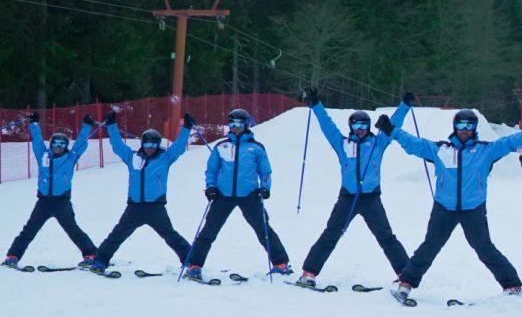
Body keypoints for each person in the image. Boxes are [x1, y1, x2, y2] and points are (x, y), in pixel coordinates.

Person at [377, 108, 522, 301]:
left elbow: (509, 143)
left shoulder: (485, 150)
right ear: (454, 127)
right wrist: (392, 130)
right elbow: (415, 144)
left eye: (468, 126)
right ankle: (406, 282)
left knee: (484, 247)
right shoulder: (441, 149)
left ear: (474, 128)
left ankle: (512, 285)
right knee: (430, 247)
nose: (464, 129)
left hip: (473, 208)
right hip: (444, 207)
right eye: (460, 125)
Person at [293, 90, 413, 288]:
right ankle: (309, 273)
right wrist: (316, 105)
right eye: (355, 125)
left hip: (371, 199)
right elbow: (328, 126)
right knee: (330, 234)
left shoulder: (377, 143)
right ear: (350, 126)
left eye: (363, 125)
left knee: (386, 237)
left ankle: (406, 275)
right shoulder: (343, 144)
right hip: (348, 198)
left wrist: (405, 106)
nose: (359, 129)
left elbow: (394, 124)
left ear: (368, 126)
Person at [185, 109, 293, 280]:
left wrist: (265, 187)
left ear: (246, 125)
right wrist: (211, 187)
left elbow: (265, 171)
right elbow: (211, 170)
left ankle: (281, 263)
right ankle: (194, 265)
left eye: (238, 124)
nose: (234, 127)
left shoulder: (256, 147)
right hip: (223, 195)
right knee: (209, 230)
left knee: (263, 228)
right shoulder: (221, 146)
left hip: (249, 194)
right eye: (231, 123)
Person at [89, 111, 194, 273]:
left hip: (155, 207)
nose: (150, 148)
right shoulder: (133, 158)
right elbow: (117, 146)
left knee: (170, 235)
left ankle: (191, 261)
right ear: (142, 144)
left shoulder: (165, 158)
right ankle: (100, 260)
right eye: (147, 145)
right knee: (117, 235)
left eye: (154, 145)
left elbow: (179, 147)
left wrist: (186, 128)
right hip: (134, 207)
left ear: (158, 145)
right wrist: (111, 126)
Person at [3, 112, 98, 269]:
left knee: (72, 229)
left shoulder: (70, 157)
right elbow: (37, 141)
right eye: (56, 144)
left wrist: (87, 125)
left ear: (66, 146)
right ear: (51, 145)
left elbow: (81, 142)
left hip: (62, 202)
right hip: (44, 202)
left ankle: (91, 254)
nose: (58, 147)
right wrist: (34, 124)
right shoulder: (42, 155)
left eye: (62, 144)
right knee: (29, 230)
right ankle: (13, 256)